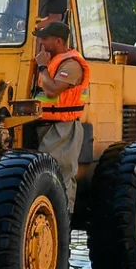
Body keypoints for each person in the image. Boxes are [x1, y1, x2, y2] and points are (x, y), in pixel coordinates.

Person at [32, 21, 90, 214]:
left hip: (64, 129)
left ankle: (63, 224)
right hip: (47, 126)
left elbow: (52, 90)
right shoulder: (52, 62)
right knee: (45, 175)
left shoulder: (71, 64)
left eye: (45, 39)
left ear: (58, 41)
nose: (41, 42)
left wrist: (41, 66)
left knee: (60, 177)